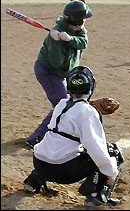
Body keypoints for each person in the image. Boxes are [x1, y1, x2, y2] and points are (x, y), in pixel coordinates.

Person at [23, 66, 124, 207]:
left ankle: (33, 181)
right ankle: (97, 196)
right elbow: (95, 147)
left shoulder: (61, 104)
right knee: (113, 151)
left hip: (40, 164)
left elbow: (73, 114)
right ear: (91, 87)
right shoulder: (88, 112)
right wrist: (111, 172)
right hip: (64, 172)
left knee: (55, 143)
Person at [25, 0, 93, 148]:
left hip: (63, 73)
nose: (86, 20)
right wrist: (56, 42)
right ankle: (36, 138)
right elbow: (56, 63)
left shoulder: (78, 29)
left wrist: (69, 39)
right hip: (48, 71)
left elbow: (83, 42)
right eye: (83, 18)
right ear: (76, 20)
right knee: (61, 104)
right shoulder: (54, 36)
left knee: (68, 102)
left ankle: (63, 131)